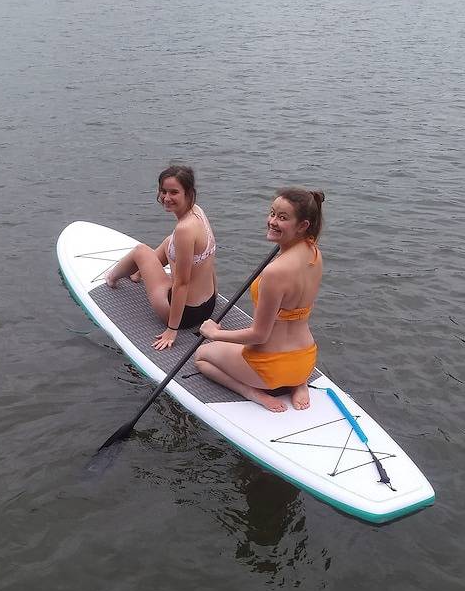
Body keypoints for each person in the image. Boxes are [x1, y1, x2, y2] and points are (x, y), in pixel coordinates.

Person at [196, 188, 324, 412]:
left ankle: (252, 393)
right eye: (272, 213)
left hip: (269, 369)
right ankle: (298, 385)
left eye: (282, 218)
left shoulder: (275, 272)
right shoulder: (314, 253)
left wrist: (214, 333)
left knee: (201, 357)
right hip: (306, 361)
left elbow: (259, 335)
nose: (272, 221)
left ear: (303, 225)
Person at [105, 166, 217, 350]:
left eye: (174, 192)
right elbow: (210, 260)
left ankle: (111, 278)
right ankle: (137, 274)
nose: (166, 198)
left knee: (141, 250)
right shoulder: (198, 212)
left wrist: (172, 330)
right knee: (169, 241)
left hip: (184, 314)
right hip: (208, 305)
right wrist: (215, 300)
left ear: (188, 193)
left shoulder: (184, 230)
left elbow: (182, 283)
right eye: (163, 191)